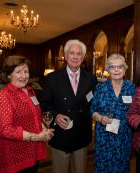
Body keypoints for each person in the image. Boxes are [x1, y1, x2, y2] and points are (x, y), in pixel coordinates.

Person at [41, 39, 98, 173]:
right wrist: (55, 116)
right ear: (66, 56)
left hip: (81, 135)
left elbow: (94, 103)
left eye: (79, 54)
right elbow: (44, 104)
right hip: (61, 135)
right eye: (72, 53)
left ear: (83, 58)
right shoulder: (52, 78)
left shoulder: (91, 79)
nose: (75, 57)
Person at [0, 55, 54, 173]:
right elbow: (5, 129)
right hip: (16, 154)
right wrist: (36, 137)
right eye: (18, 72)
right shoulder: (4, 96)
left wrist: (43, 129)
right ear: (9, 75)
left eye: (26, 71)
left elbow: (35, 115)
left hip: (33, 150)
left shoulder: (30, 92)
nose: (24, 76)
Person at [90, 53, 136, 173]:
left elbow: (137, 110)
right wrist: (99, 118)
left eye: (120, 66)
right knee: (103, 167)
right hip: (104, 137)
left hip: (124, 136)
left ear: (125, 69)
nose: (116, 70)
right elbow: (92, 110)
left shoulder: (131, 87)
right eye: (112, 67)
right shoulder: (100, 88)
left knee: (122, 167)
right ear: (108, 70)